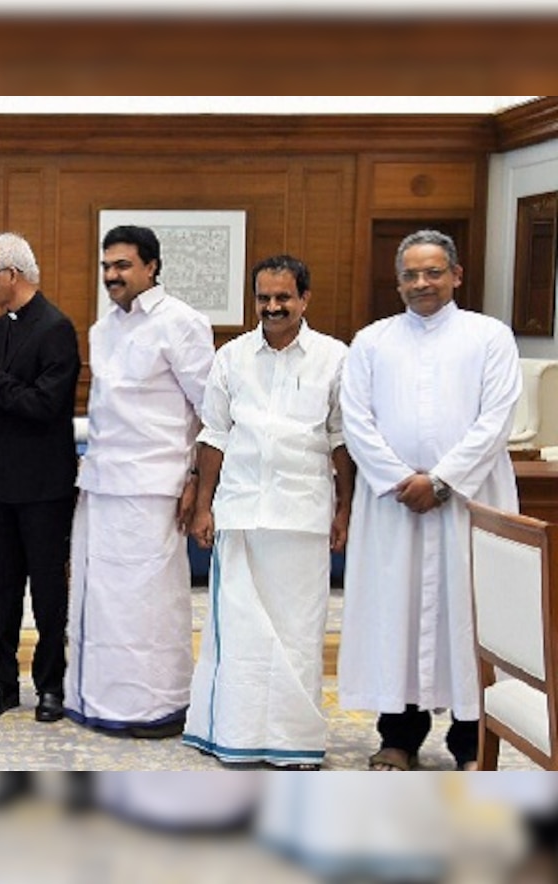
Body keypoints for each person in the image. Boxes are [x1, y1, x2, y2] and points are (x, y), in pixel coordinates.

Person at [339, 229, 521, 771]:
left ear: (456, 275)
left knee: (470, 619)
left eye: (433, 272)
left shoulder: (490, 337)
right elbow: (356, 419)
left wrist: (441, 481)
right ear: (398, 282)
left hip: (468, 502)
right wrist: (401, 479)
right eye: (412, 275)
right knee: (397, 617)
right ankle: (398, 737)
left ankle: (471, 744)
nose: (422, 283)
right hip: (394, 506)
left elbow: (497, 419)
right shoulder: (372, 341)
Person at [183, 255, 352, 769]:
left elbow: (341, 439)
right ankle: (234, 734)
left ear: (305, 299)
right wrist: (203, 506)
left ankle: (294, 742)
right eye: (264, 298)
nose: (273, 307)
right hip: (240, 512)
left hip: (303, 517)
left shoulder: (334, 358)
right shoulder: (231, 357)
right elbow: (214, 434)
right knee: (239, 633)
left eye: (284, 297)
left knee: (298, 635)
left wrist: (345, 510)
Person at [62, 224, 213, 738]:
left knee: (147, 604)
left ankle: (155, 708)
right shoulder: (103, 329)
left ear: (152, 266)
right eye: (107, 267)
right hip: (102, 482)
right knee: (100, 600)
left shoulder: (182, 323)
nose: (112, 276)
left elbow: (211, 410)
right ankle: (97, 700)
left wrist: (196, 481)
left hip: (155, 486)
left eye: (122, 266)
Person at [0, 232, 81, 723]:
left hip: (45, 485)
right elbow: (0, 399)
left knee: (47, 592)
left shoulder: (57, 329)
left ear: (12, 275)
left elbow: (43, 407)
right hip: (3, 481)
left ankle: (51, 686)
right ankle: (0, 683)